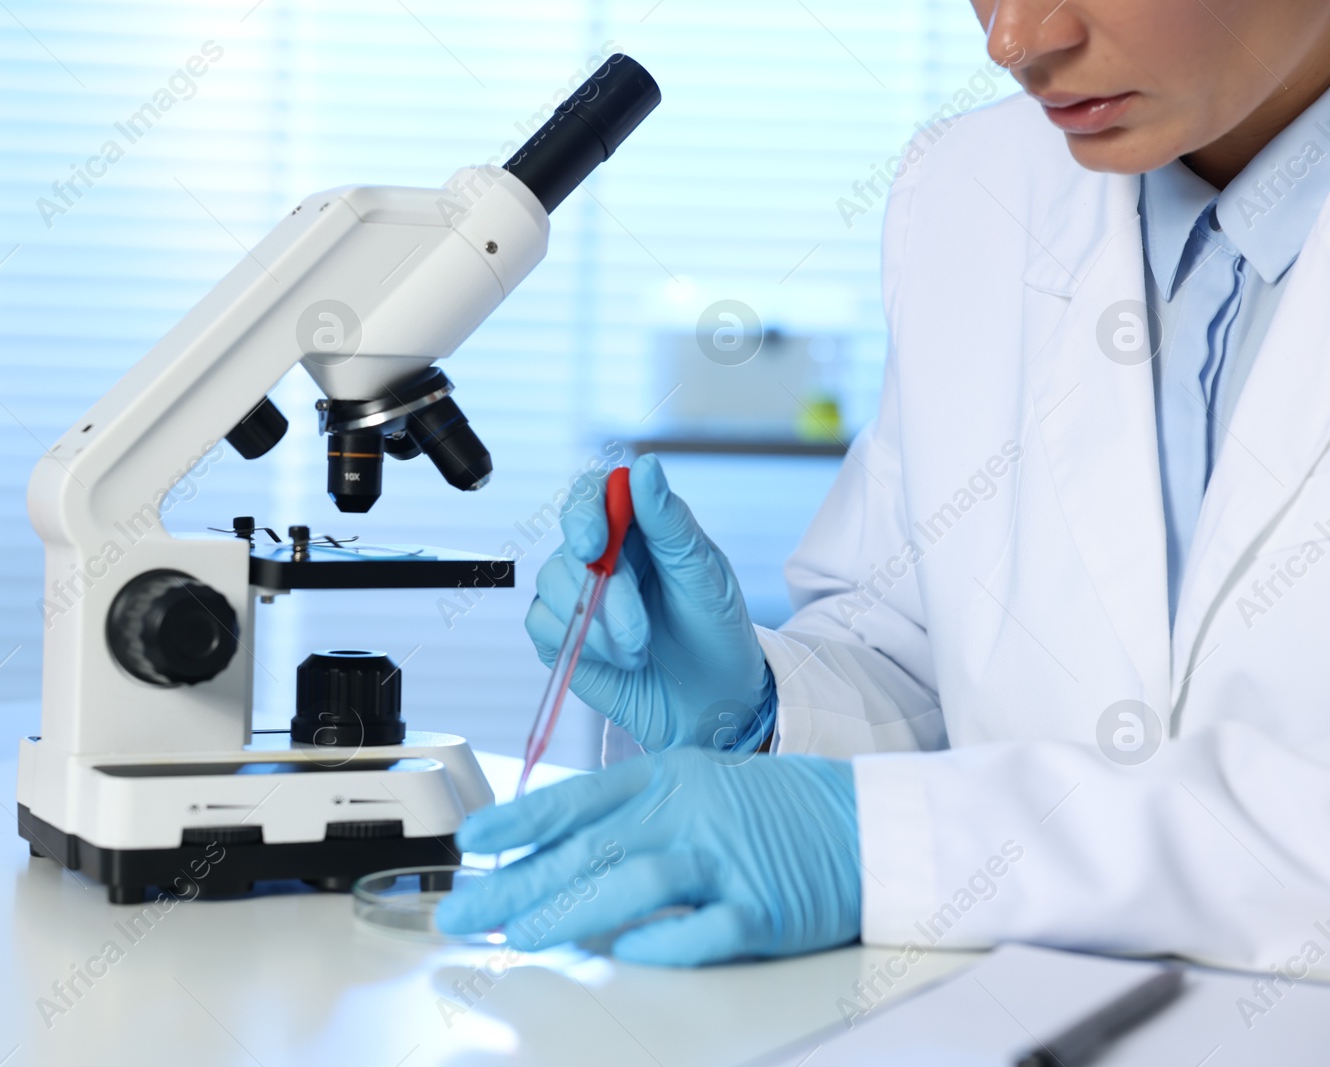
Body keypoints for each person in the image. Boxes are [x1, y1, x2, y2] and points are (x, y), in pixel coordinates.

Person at [436, 0, 1330, 973]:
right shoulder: (973, 188)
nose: (1014, 40)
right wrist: (767, 706)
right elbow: (923, 652)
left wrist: (883, 844)